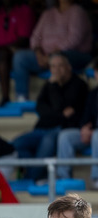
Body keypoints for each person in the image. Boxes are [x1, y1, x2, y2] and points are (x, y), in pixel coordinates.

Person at [13, 52, 88, 182]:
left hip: (62, 129)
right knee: (16, 144)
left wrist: (54, 88)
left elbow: (60, 106)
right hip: (42, 128)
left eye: (60, 65)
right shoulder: (48, 84)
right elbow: (40, 108)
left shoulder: (79, 85)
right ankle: (38, 174)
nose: (56, 69)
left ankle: (30, 178)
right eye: (53, 66)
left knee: (47, 141)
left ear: (68, 67)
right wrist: (60, 114)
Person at [12, 0, 93, 102]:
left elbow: (74, 38)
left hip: (73, 55)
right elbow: (36, 37)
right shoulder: (47, 14)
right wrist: (38, 53)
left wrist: (51, 56)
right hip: (44, 56)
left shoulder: (78, 12)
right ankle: (21, 98)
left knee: (58, 58)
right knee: (20, 57)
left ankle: (56, 100)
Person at [56, 83, 98, 188]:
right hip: (91, 133)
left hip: (95, 134)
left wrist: (93, 131)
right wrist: (84, 128)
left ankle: (96, 178)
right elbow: (85, 115)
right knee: (65, 136)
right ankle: (64, 178)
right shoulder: (93, 93)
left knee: (97, 136)